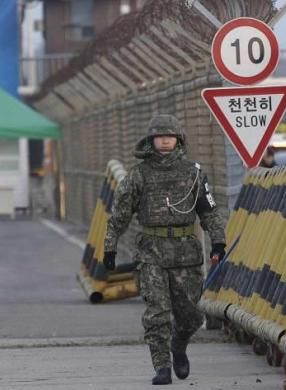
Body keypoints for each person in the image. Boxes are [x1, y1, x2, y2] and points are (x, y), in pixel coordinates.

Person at [103, 114, 226, 385]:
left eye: (170, 136)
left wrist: (218, 242)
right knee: (157, 313)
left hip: (185, 253)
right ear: (152, 140)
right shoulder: (139, 175)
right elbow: (119, 214)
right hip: (152, 253)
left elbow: (209, 212)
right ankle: (162, 366)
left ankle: (179, 345)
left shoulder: (193, 173)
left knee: (192, 315)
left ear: (178, 139)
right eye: (160, 137)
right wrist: (109, 248)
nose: (165, 141)